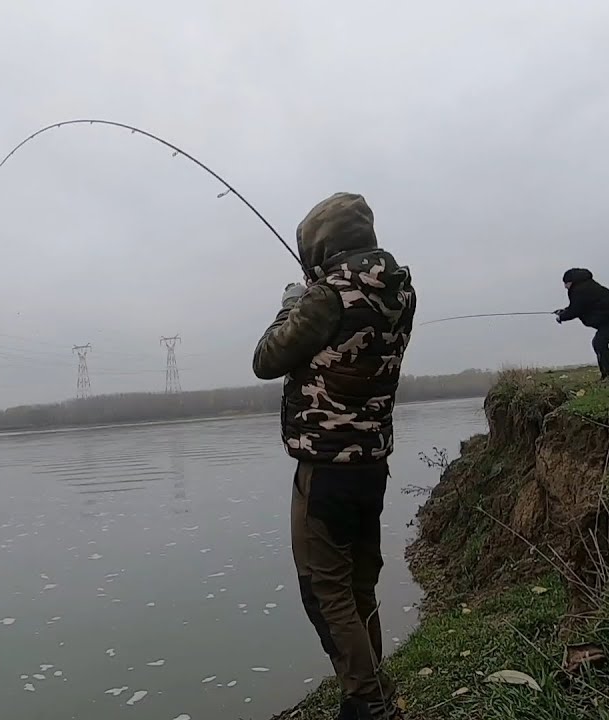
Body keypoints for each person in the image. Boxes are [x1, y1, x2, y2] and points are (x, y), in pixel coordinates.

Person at [252, 192, 416, 720]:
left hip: (325, 467)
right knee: (360, 581)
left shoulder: (326, 297)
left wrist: (291, 302)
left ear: (322, 244)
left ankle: (365, 701)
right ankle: (376, 686)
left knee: (324, 590)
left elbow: (266, 359)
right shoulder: (401, 290)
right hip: (373, 464)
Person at [554, 268, 609, 382]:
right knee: (598, 343)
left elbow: (576, 309)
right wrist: (564, 311)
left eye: (565, 283)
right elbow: (582, 306)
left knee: (599, 343)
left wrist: (561, 317)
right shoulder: (585, 286)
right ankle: (607, 376)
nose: (565, 287)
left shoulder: (580, 290)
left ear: (571, 281)